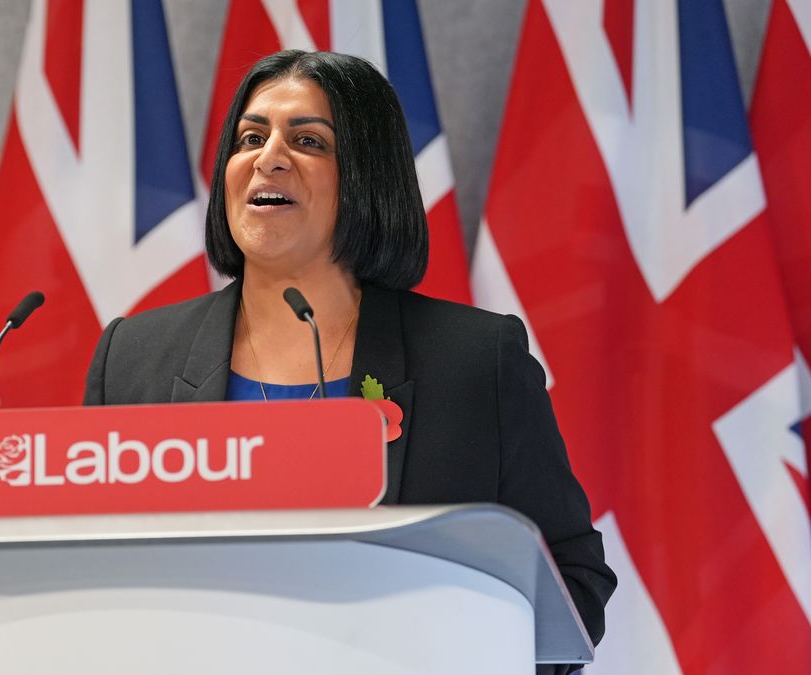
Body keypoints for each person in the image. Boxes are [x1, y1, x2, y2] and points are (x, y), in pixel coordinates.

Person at [84, 50, 615, 672]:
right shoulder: (135, 357)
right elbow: (92, 572)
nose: (268, 157)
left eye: (308, 141)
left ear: (368, 175)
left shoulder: (475, 361)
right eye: (250, 137)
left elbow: (573, 584)